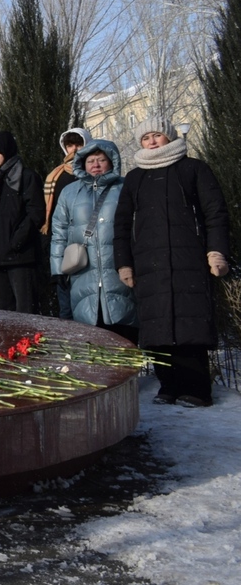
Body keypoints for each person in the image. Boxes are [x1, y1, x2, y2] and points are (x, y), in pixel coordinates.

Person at [115, 116, 230, 408]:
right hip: (148, 262)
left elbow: (215, 212)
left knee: (189, 323)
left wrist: (216, 251)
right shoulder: (135, 177)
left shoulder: (194, 168)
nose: (152, 141)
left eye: (157, 135)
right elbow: (122, 224)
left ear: (169, 136)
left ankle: (198, 390)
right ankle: (168, 385)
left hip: (189, 258)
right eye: (146, 138)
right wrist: (124, 263)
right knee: (157, 325)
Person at [49, 139, 137, 342]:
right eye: (90, 161)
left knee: (124, 331)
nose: (95, 165)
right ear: (82, 163)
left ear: (112, 161)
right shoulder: (69, 192)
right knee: (90, 332)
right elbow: (59, 231)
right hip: (83, 272)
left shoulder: (125, 187)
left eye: (101, 160)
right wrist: (57, 268)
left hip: (119, 270)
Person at [0, 131, 44, 313]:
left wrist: (17, 241)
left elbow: (36, 213)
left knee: (26, 312)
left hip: (20, 258)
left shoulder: (26, 176)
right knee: (4, 315)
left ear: (7, 151)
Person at [45, 128, 92, 320]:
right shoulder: (56, 176)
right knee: (66, 308)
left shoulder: (94, 172)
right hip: (65, 246)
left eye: (79, 144)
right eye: (70, 145)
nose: (74, 149)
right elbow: (55, 219)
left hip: (90, 241)